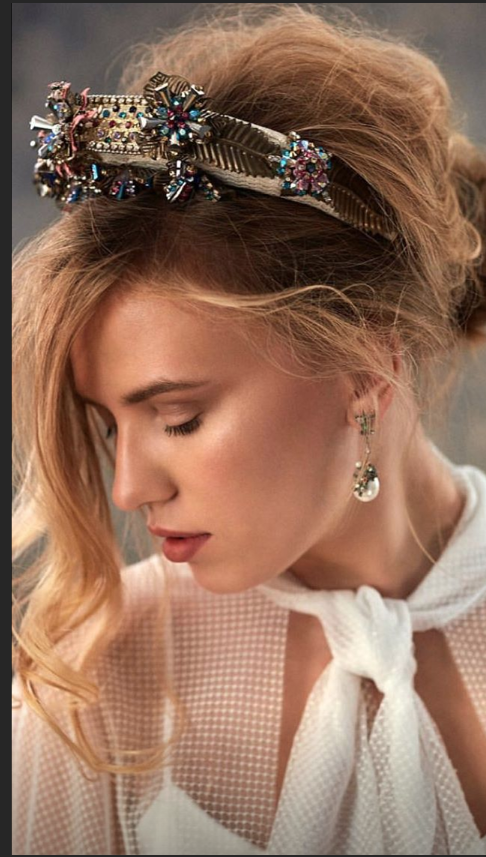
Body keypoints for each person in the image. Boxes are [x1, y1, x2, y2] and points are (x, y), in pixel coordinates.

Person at [12, 4, 486, 855]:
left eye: (179, 418)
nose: (129, 488)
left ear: (364, 366)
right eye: (110, 425)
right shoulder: (100, 672)